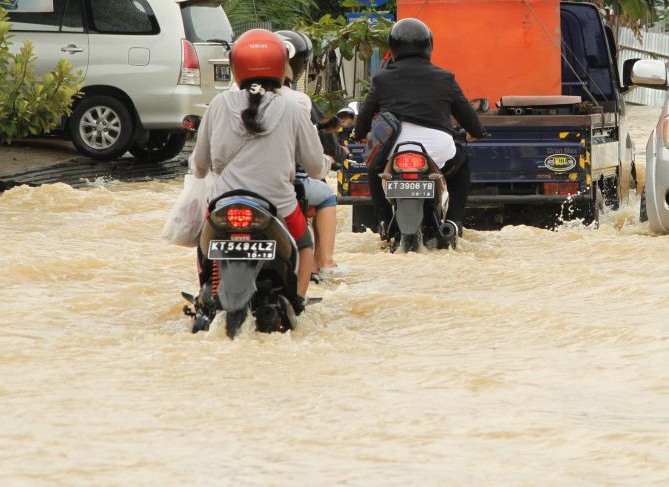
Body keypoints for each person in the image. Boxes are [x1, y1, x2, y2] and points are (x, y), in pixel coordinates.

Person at [189, 28, 327, 305]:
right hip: (279, 206)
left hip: (223, 206)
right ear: (281, 65)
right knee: (306, 243)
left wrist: (200, 168)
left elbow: (199, 166)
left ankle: (207, 294)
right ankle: (298, 301)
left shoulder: (218, 104)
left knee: (204, 247)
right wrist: (323, 166)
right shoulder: (292, 108)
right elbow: (315, 169)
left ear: (236, 66)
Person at [352, 18, 485, 236]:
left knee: (373, 166)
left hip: (392, 150)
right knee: (462, 163)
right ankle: (454, 222)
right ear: (429, 47)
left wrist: (358, 134)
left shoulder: (381, 78)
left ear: (392, 47)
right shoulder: (445, 78)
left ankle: (384, 222)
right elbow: (467, 115)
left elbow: (365, 116)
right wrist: (476, 133)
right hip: (438, 150)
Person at [273, 30, 344, 282]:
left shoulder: (226, 100)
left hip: (230, 190)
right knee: (326, 196)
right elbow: (314, 164)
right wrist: (327, 163)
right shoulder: (297, 101)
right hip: (284, 188)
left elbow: (202, 162)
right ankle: (325, 262)